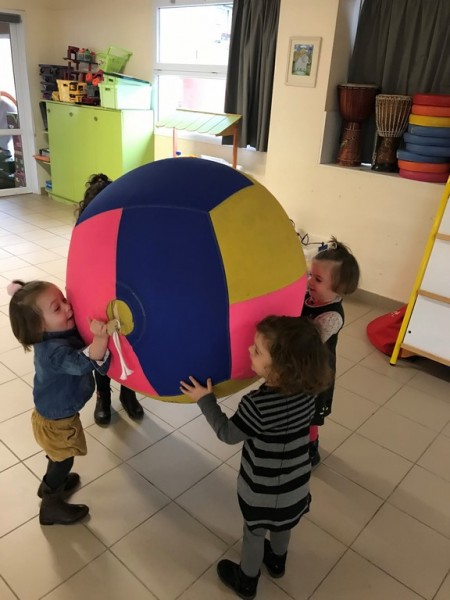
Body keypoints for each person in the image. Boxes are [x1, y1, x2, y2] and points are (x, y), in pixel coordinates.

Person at [180, 316, 332, 600]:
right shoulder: (309, 394)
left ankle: (247, 581)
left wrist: (205, 400)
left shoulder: (256, 405)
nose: (249, 350)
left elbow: (227, 433)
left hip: (261, 491)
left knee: (254, 533)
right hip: (296, 486)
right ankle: (277, 561)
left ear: (281, 369)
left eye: (258, 350)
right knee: (284, 525)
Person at [8, 279, 111, 525]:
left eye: (64, 300)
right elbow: (83, 363)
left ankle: (51, 484)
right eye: (57, 308)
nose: (68, 307)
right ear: (39, 326)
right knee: (63, 460)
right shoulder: (53, 353)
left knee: (57, 457)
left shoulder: (55, 334)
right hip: (57, 423)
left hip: (52, 414)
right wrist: (100, 339)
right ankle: (50, 505)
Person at [76, 173, 144, 424]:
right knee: (101, 347)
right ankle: (103, 395)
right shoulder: (84, 231)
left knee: (129, 345)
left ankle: (129, 391)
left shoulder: (128, 226)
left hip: (125, 297)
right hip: (97, 301)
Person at [302, 237, 360, 467]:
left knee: (310, 415)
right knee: (296, 408)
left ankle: (311, 449)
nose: (309, 281)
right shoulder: (310, 297)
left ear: (339, 288)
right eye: (310, 274)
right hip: (299, 364)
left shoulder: (332, 316)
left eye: (317, 279)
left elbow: (309, 344)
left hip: (315, 373)